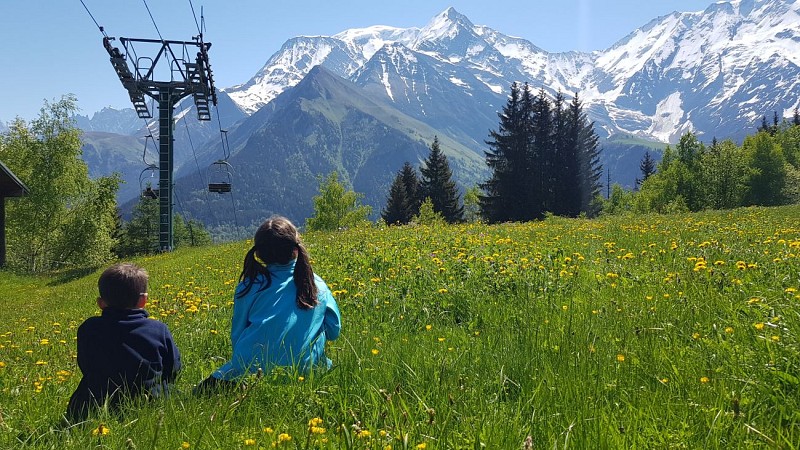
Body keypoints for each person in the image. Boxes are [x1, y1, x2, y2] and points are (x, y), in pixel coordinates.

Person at [197, 216, 341, 391]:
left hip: (250, 371)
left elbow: (237, 335)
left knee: (199, 392)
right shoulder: (317, 286)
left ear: (258, 253)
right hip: (306, 373)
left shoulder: (249, 286)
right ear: (296, 249)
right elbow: (334, 331)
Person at [66, 263, 181, 423]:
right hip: (148, 403)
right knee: (171, 391)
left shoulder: (89, 328)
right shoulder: (158, 329)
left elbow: (85, 365)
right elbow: (173, 369)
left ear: (101, 303)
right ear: (143, 301)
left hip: (93, 404)